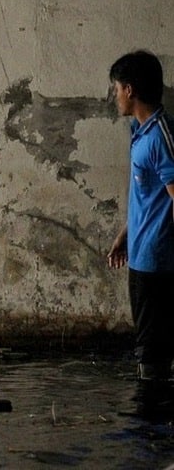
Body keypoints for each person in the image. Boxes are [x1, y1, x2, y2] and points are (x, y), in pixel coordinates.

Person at [107, 50, 174, 381]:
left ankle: (151, 425)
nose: (115, 95)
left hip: (159, 264)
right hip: (142, 257)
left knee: (154, 352)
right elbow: (149, 199)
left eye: (116, 88)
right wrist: (125, 236)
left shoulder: (161, 135)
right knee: (148, 347)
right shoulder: (140, 132)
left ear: (130, 90)